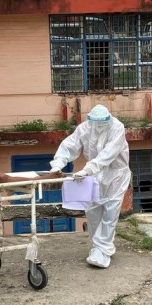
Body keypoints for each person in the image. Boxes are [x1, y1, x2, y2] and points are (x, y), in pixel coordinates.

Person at [49, 104, 131, 269]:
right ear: (91, 120)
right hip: (94, 176)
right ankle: (97, 248)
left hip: (116, 176)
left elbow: (108, 154)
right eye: (96, 123)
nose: (99, 126)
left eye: (102, 123)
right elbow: (69, 145)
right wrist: (58, 164)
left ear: (108, 119)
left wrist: (87, 169)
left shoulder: (117, 127)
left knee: (110, 213)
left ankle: (104, 249)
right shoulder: (85, 128)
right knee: (92, 212)